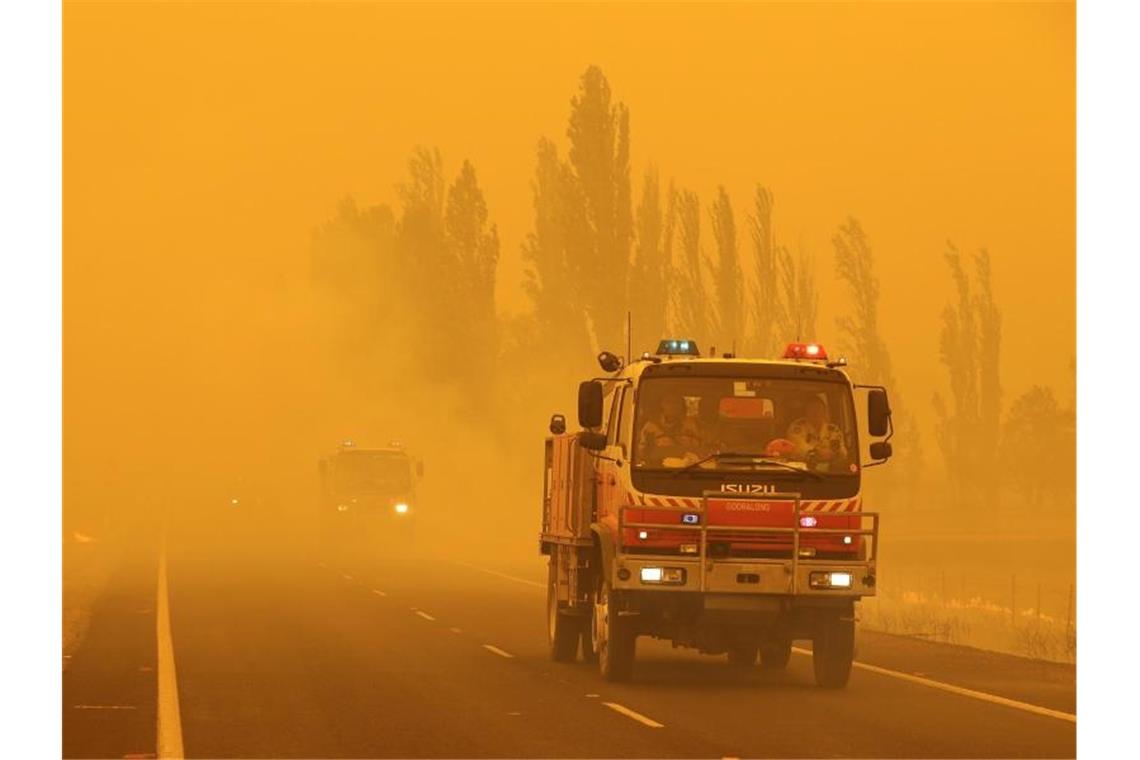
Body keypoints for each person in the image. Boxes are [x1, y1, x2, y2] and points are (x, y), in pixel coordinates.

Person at [637, 393, 702, 463]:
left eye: (676, 402)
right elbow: (641, 453)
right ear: (662, 404)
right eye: (668, 402)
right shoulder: (650, 426)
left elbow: (698, 448)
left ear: (681, 406)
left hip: (687, 467)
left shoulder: (690, 425)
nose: (673, 406)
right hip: (657, 468)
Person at [786, 396, 848, 468]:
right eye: (812, 409)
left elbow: (843, 453)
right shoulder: (797, 427)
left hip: (830, 472)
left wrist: (835, 453)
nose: (816, 412)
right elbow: (799, 450)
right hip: (803, 471)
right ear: (805, 411)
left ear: (825, 412)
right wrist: (818, 454)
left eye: (819, 409)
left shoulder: (833, 429)